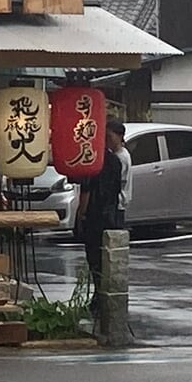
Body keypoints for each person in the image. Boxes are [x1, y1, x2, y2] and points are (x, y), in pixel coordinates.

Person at [75, 129, 123, 309]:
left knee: (94, 257)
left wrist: (81, 214)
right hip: (110, 214)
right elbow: (117, 189)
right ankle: (106, 294)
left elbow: (86, 191)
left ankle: (98, 293)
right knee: (107, 257)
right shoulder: (115, 161)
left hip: (94, 215)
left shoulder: (92, 161)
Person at [108, 120, 132, 229]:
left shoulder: (121, 157)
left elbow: (113, 181)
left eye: (110, 136)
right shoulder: (117, 154)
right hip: (116, 203)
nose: (107, 140)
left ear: (119, 136)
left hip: (116, 203)